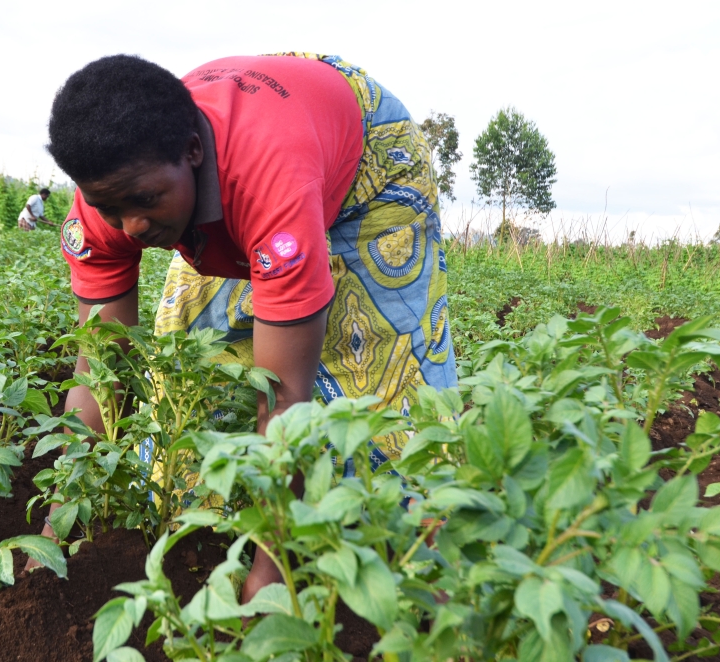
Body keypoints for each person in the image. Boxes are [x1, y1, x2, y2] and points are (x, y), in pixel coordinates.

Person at [44, 53, 457, 600]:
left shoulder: (268, 182)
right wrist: (53, 530)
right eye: (111, 210)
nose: (133, 227)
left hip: (363, 161)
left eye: (144, 202)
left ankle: (420, 566)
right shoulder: (111, 195)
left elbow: (285, 400)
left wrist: (268, 575)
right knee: (188, 377)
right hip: (265, 134)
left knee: (384, 381)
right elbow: (100, 365)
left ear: (192, 152)